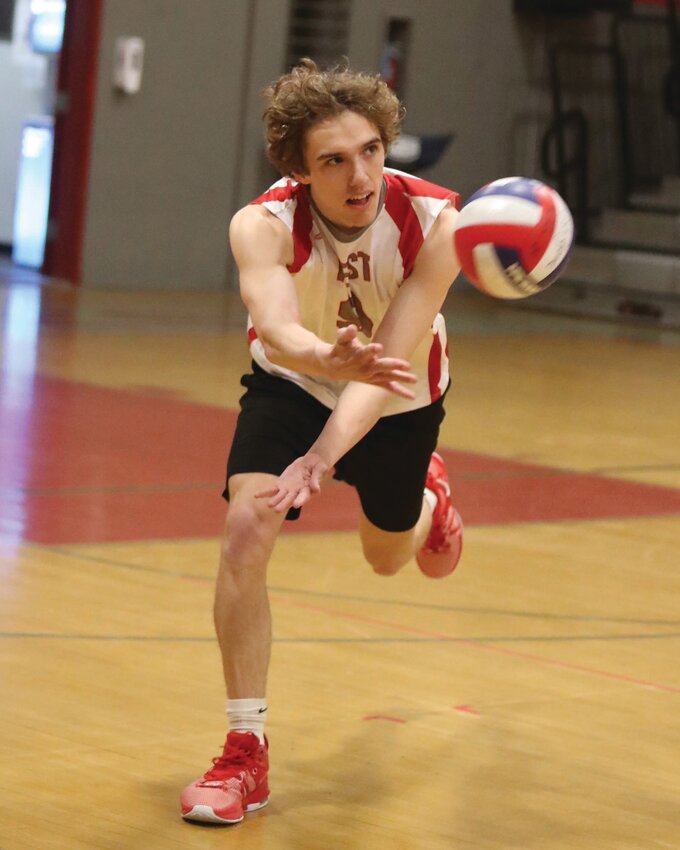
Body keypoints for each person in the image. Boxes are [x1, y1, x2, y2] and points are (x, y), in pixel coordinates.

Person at [180, 58, 464, 825]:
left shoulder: (440, 224)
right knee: (247, 524)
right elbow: (274, 326)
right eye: (333, 160)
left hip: (397, 396)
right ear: (299, 170)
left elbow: (390, 364)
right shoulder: (261, 224)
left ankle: (428, 492)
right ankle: (245, 752)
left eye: (370, 149)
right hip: (294, 382)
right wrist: (319, 358)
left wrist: (321, 457)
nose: (359, 173)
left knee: (386, 556)